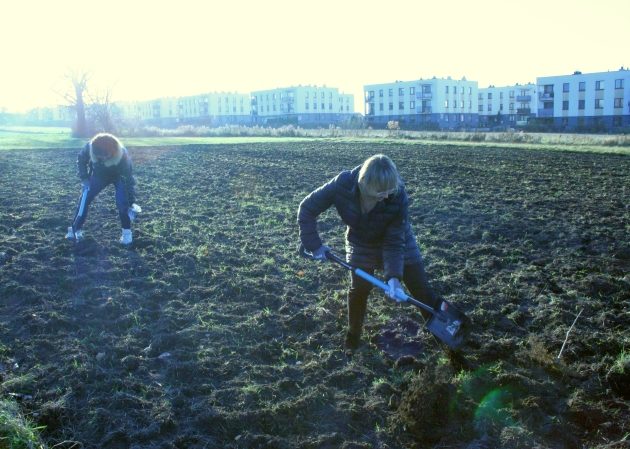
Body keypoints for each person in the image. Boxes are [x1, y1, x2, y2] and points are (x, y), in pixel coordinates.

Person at [298, 154, 441, 350]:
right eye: (380, 191)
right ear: (364, 182)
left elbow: (394, 241)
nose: (386, 196)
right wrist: (314, 245)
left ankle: (445, 339)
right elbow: (307, 209)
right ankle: (353, 338)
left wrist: (393, 278)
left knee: (421, 291)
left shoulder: (397, 195)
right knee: (359, 290)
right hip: (362, 241)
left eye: (390, 190)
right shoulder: (343, 184)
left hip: (399, 242)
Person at [66, 133, 139, 245]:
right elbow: (81, 159)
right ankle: (75, 229)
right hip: (99, 175)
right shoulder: (89, 147)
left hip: (119, 176)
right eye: (99, 157)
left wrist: (131, 201)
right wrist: (85, 178)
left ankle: (127, 234)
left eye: (105, 156)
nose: (103, 159)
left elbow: (128, 181)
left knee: (122, 202)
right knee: (85, 198)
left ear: (112, 151)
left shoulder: (123, 155)